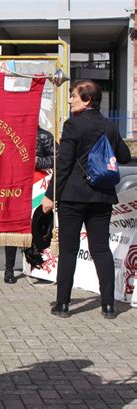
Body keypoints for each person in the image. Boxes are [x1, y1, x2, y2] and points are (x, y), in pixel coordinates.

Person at [41, 80, 131, 318]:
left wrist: (50, 196)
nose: (70, 100)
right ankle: (109, 306)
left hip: (73, 196)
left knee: (69, 251)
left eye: (73, 96)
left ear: (87, 99)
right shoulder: (109, 125)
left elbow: (64, 164)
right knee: (101, 249)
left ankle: (62, 305)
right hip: (102, 195)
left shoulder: (73, 125)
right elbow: (124, 155)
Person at [4, 126, 57, 283]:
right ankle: (9, 269)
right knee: (12, 228)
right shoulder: (9, 133)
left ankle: (37, 264)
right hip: (14, 185)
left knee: (37, 227)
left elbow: (58, 157)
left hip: (38, 186)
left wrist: (37, 161)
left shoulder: (44, 136)